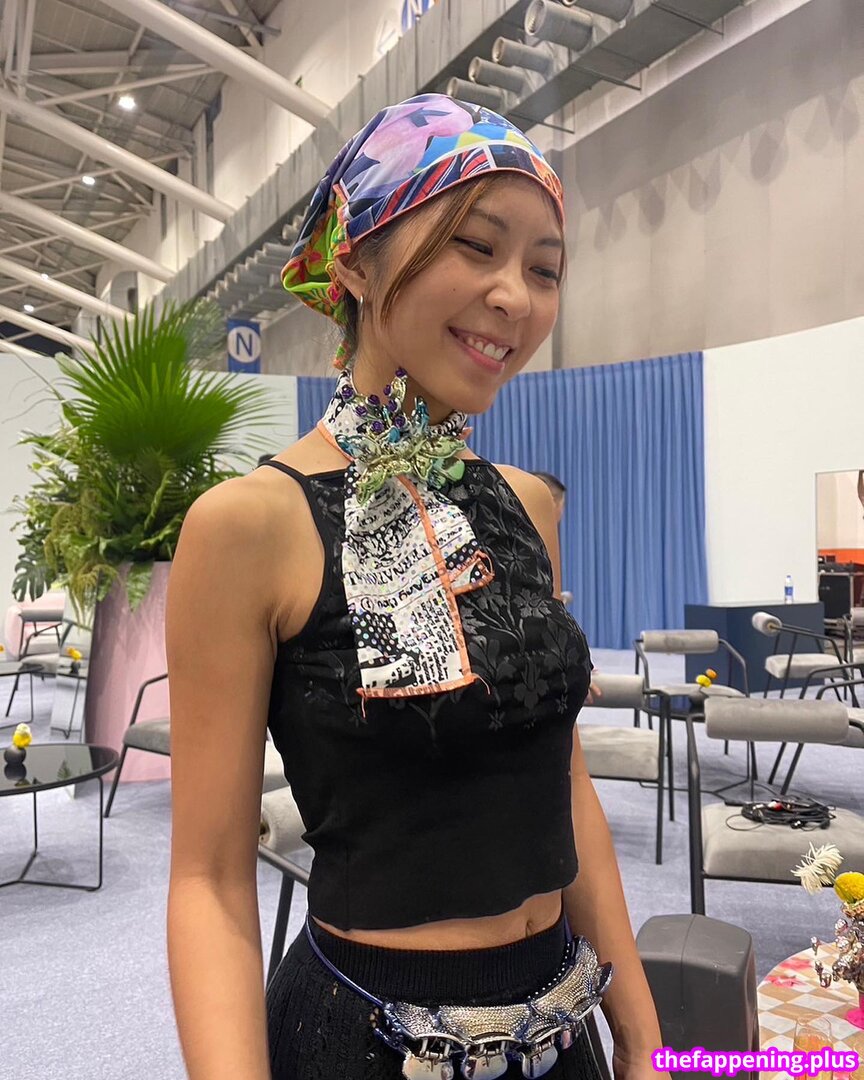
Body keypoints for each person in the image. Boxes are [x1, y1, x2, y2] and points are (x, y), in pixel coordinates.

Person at [166, 94, 664, 1080]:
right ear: (354, 258)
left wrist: (646, 1036)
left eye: (545, 269)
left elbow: (562, 785)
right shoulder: (249, 525)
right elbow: (211, 881)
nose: (515, 296)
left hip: (564, 1029)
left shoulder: (527, 505)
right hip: (364, 1041)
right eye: (476, 247)